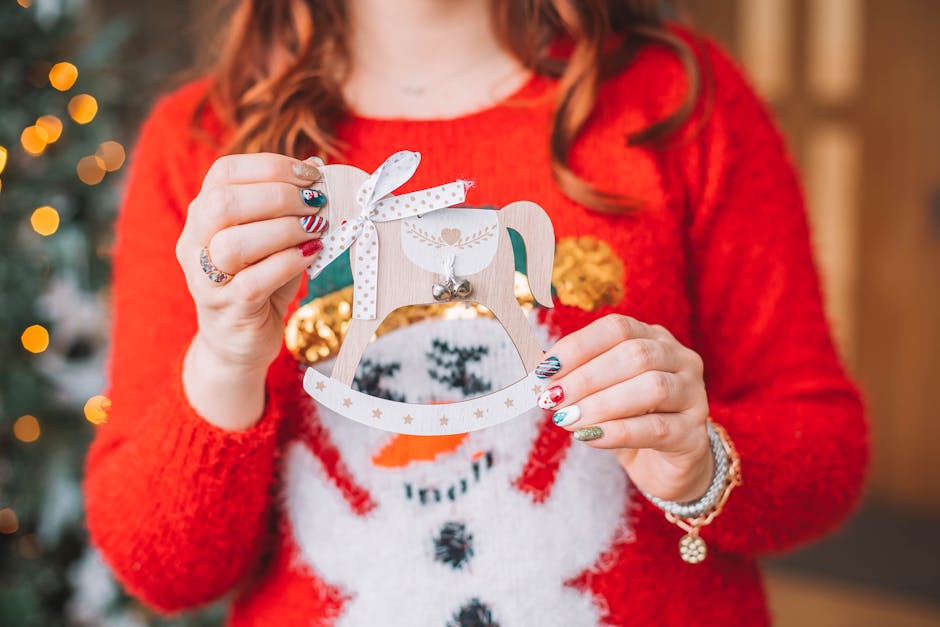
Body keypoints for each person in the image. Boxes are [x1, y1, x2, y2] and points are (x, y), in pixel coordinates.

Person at [82, 1, 869, 625]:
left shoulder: (677, 99)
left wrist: (702, 463)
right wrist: (225, 358)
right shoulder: (202, 149)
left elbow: (825, 446)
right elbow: (166, 570)